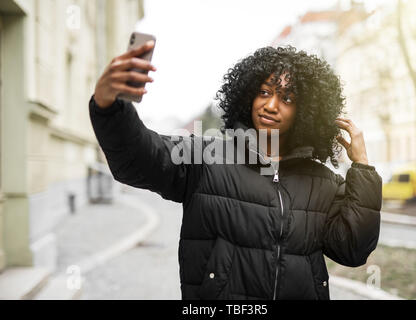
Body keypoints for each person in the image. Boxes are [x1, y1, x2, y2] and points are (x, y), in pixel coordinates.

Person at [89, 41, 382, 300]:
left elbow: (352, 250)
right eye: (264, 92)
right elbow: (139, 159)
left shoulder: (323, 182)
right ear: (247, 95)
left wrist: (363, 167)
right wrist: (109, 106)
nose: (270, 105)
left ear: (307, 112)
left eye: (287, 98)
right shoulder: (205, 158)